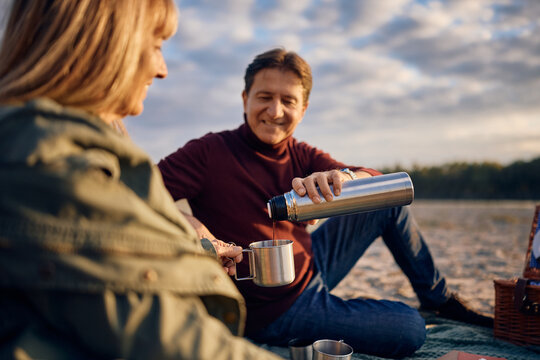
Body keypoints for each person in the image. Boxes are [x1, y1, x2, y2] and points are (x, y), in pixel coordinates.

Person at [158, 48, 494, 359]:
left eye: (288, 101)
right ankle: (332, 314)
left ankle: (438, 300)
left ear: (302, 110)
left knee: (385, 202)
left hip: (311, 266)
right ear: (245, 98)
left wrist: (345, 180)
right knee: (409, 328)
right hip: (273, 308)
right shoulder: (208, 152)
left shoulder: (302, 154)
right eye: (264, 97)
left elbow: (371, 178)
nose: (275, 111)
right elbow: (137, 192)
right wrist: (190, 222)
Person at [0, 1, 283, 359]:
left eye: (288, 101)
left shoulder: (55, 148)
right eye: (156, 46)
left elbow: (104, 249)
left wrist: (196, 245)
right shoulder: (48, 165)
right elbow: (170, 336)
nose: (162, 69)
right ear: (104, 42)